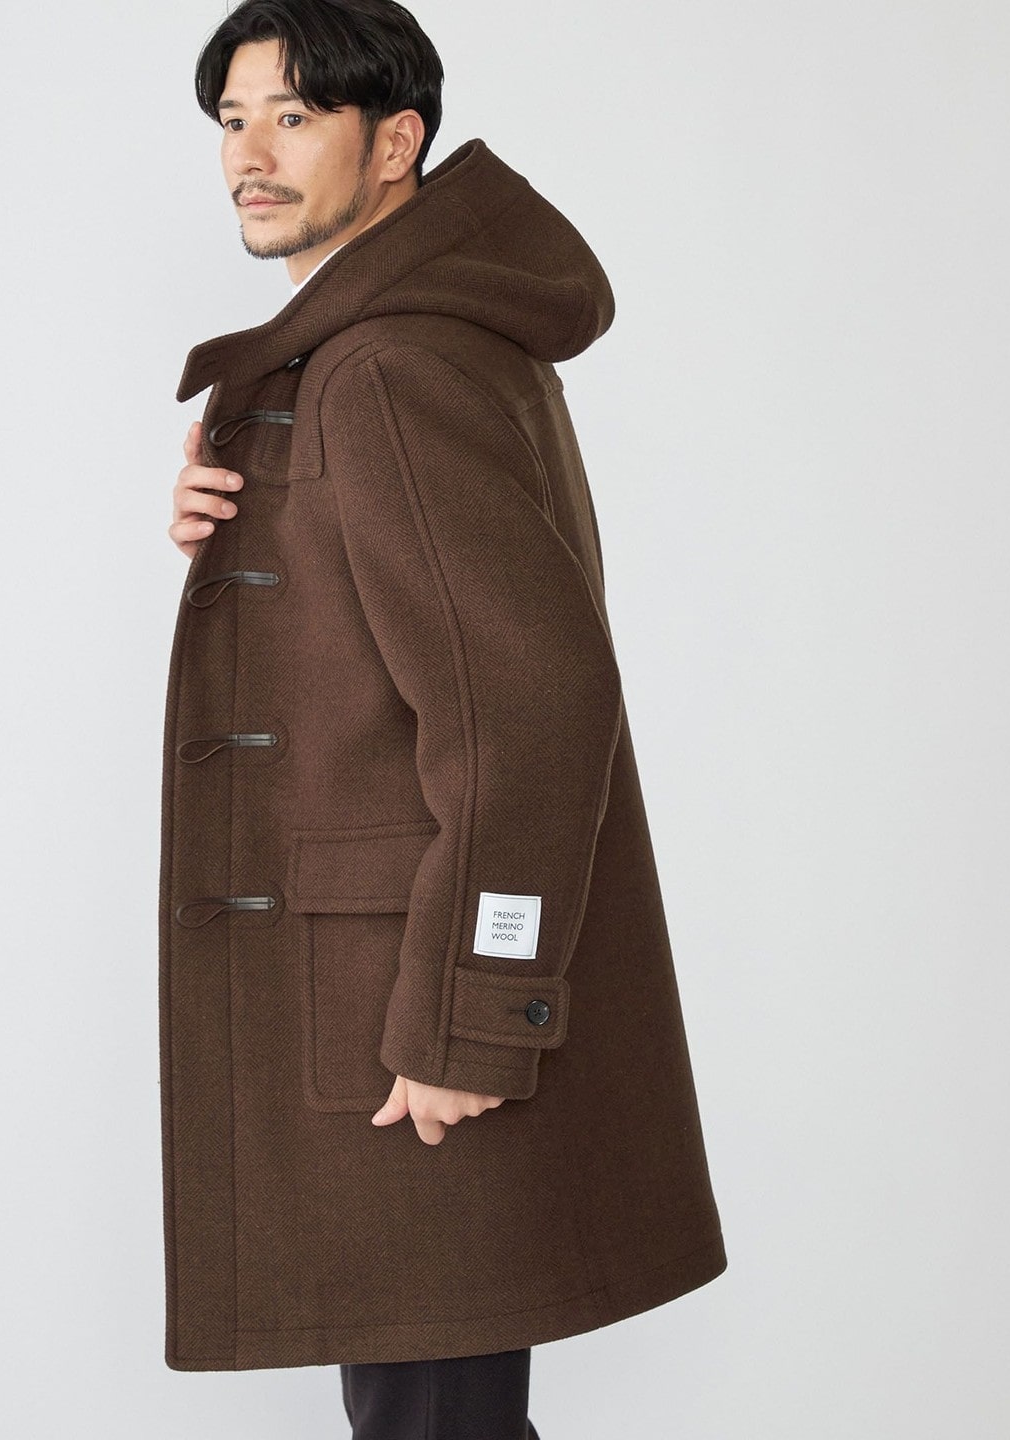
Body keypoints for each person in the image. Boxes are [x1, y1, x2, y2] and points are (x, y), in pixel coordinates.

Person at [161, 2, 726, 1435]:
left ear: (397, 139)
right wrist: (254, 520)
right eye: (234, 119)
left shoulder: (387, 366)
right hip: (389, 983)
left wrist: (473, 1017)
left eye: (295, 116)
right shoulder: (390, 349)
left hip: (408, 1006)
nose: (251, 155)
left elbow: (531, 707)